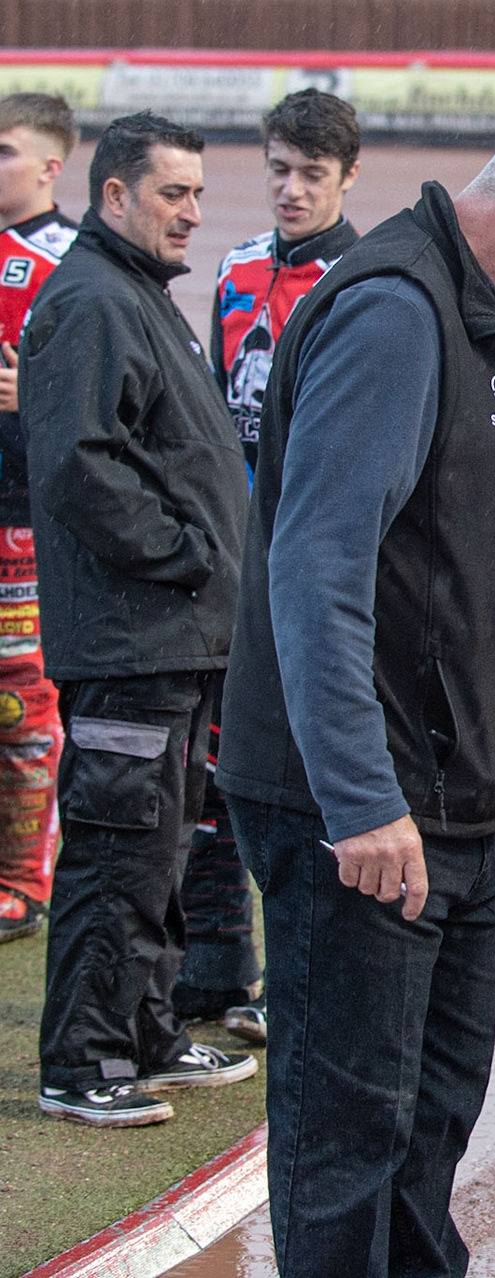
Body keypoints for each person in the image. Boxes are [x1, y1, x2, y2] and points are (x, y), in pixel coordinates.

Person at [216, 113, 495, 1276]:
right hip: (364, 819)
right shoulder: (397, 311)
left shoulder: (484, 317)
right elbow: (319, 565)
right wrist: (359, 800)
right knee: (351, 1136)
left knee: (426, 1128)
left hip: (450, 808)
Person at [23, 111, 255, 1128]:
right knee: (117, 852)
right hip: (130, 638)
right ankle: (82, 1062)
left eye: (199, 195)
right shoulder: (91, 302)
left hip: (173, 638)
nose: (193, 214)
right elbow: (79, 462)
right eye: (174, 194)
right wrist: (189, 553)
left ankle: (148, 1034)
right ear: (114, 195)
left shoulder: (137, 296)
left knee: (158, 848)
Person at [173, 87, 362, 1045]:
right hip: (235, 558)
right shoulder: (239, 268)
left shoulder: (368, 279)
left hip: (319, 567)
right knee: (218, 768)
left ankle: (320, 971)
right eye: (278, 171)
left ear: (346, 179)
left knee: (319, 768)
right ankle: (216, 969)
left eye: (311, 176)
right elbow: (214, 413)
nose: (290, 191)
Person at [0, 93, 75, 946]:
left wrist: (38, 400)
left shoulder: (65, 261)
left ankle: (23, 880)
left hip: (26, 523)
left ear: (53, 166)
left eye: (6, 152)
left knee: (21, 710)